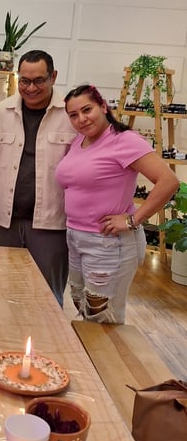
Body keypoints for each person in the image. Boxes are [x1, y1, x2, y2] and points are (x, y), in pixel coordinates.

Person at [55, 84, 179, 324]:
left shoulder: (124, 140)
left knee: (103, 314)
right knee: (82, 303)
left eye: (87, 110)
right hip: (76, 237)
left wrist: (133, 219)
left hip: (107, 242)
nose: (81, 119)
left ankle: (105, 350)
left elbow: (168, 181)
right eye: (73, 115)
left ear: (103, 106)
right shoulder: (79, 141)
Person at [0, 49, 76, 305]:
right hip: (6, 223)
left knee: (47, 297)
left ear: (53, 77)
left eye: (39, 80)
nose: (31, 88)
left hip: (51, 224)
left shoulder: (70, 115)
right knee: (3, 293)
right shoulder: (1, 112)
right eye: (24, 81)